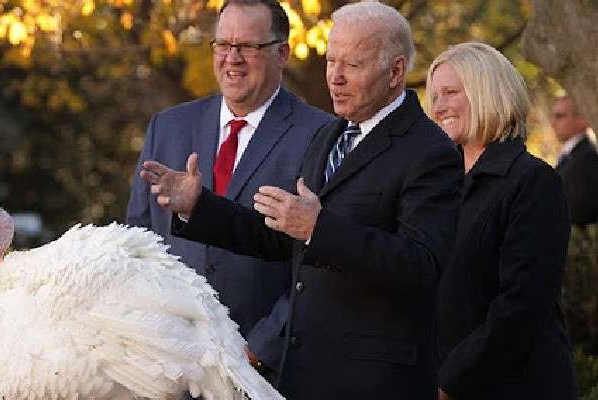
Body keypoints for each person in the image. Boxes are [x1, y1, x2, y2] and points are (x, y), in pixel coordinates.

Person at [140, 2, 463, 398]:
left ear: (395, 72)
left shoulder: (430, 151)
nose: (336, 78)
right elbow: (281, 235)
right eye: (331, 62)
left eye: (353, 66)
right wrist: (199, 207)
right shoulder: (334, 138)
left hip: (373, 382)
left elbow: (422, 265)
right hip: (306, 377)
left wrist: (318, 229)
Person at [126, 0, 332, 382]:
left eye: (248, 47)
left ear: (282, 53)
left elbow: (319, 266)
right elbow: (138, 244)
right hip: (173, 365)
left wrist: (259, 349)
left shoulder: (321, 136)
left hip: (266, 370)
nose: (232, 59)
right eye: (223, 45)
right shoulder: (168, 127)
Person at [427, 42, 578, 400]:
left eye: (450, 92)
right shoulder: (438, 182)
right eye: (435, 95)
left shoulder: (532, 182)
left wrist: (449, 381)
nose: (438, 106)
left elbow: (521, 305)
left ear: (486, 92)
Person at [551, 95, 598, 225]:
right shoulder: (571, 154)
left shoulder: (588, 157)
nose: (553, 122)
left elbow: (579, 212)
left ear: (583, 119)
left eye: (560, 116)